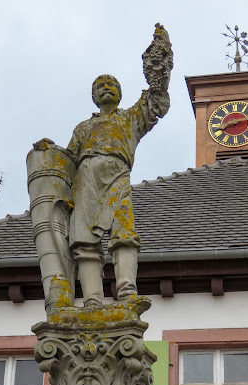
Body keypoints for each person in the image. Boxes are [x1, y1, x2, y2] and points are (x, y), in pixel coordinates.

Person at [66, 70, 170, 308]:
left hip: (118, 175)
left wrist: (159, 68)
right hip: (86, 178)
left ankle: (127, 292)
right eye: (100, 85)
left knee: (123, 232)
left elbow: (155, 101)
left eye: (111, 83)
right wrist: (49, 152)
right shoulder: (83, 128)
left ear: (120, 94)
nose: (106, 86)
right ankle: (92, 299)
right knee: (85, 240)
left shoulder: (129, 118)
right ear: (93, 96)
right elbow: (68, 159)